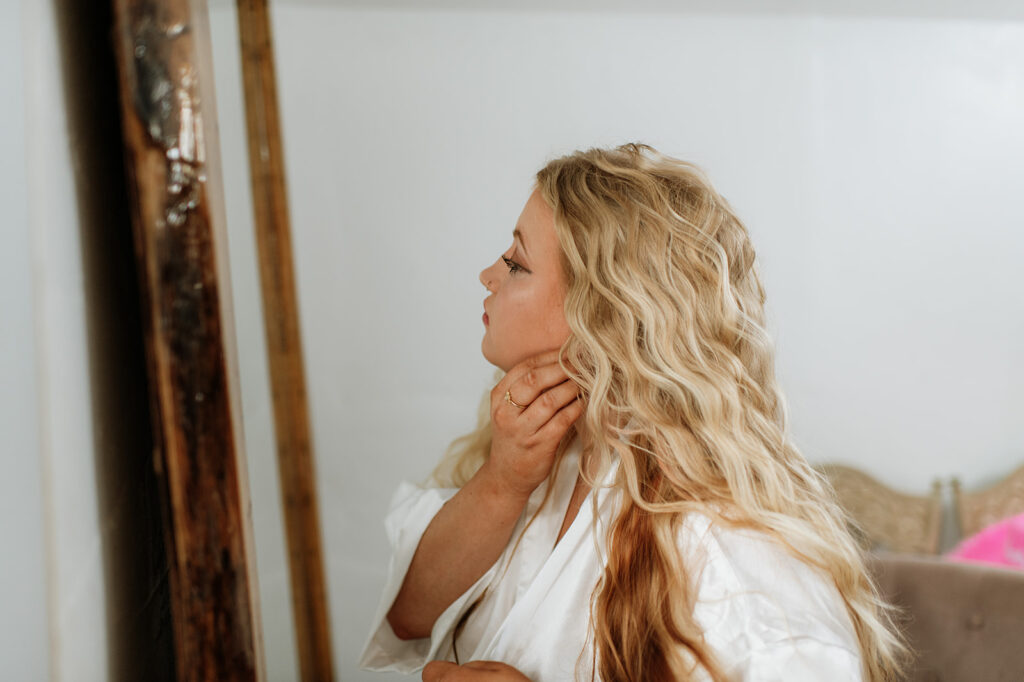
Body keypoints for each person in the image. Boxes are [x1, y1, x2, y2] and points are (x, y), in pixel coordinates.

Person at [359, 143, 907, 681]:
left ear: (603, 315)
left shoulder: (732, 558)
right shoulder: (547, 456)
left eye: (516, 262)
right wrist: (503, 482)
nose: (488, 274)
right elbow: (410, 617)